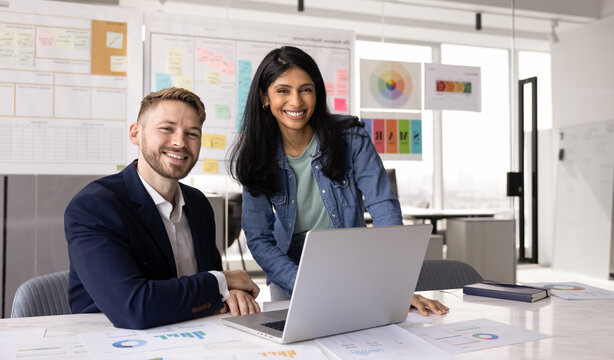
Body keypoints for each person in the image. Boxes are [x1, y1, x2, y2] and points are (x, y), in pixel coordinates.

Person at [229, 46, 449, 316]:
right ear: (265, 96)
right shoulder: (256, 154)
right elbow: (260, 238)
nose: (296, 102)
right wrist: (305, 283)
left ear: (317, 92)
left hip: (353, 266)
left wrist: (394, 285)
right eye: (283, 90)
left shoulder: (350, 136)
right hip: (291, 275)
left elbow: (383, 205)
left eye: (306, 89)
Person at [65, 87, 260, 330]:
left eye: (192, 133)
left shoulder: (198, 204)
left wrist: (229, 292)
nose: (180, 142)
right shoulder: (94, 207)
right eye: (167, 129)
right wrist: (223, 281)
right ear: (136, 133)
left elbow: (211, 286)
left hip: (191, 337)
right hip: (112, 344)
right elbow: (134, 307)